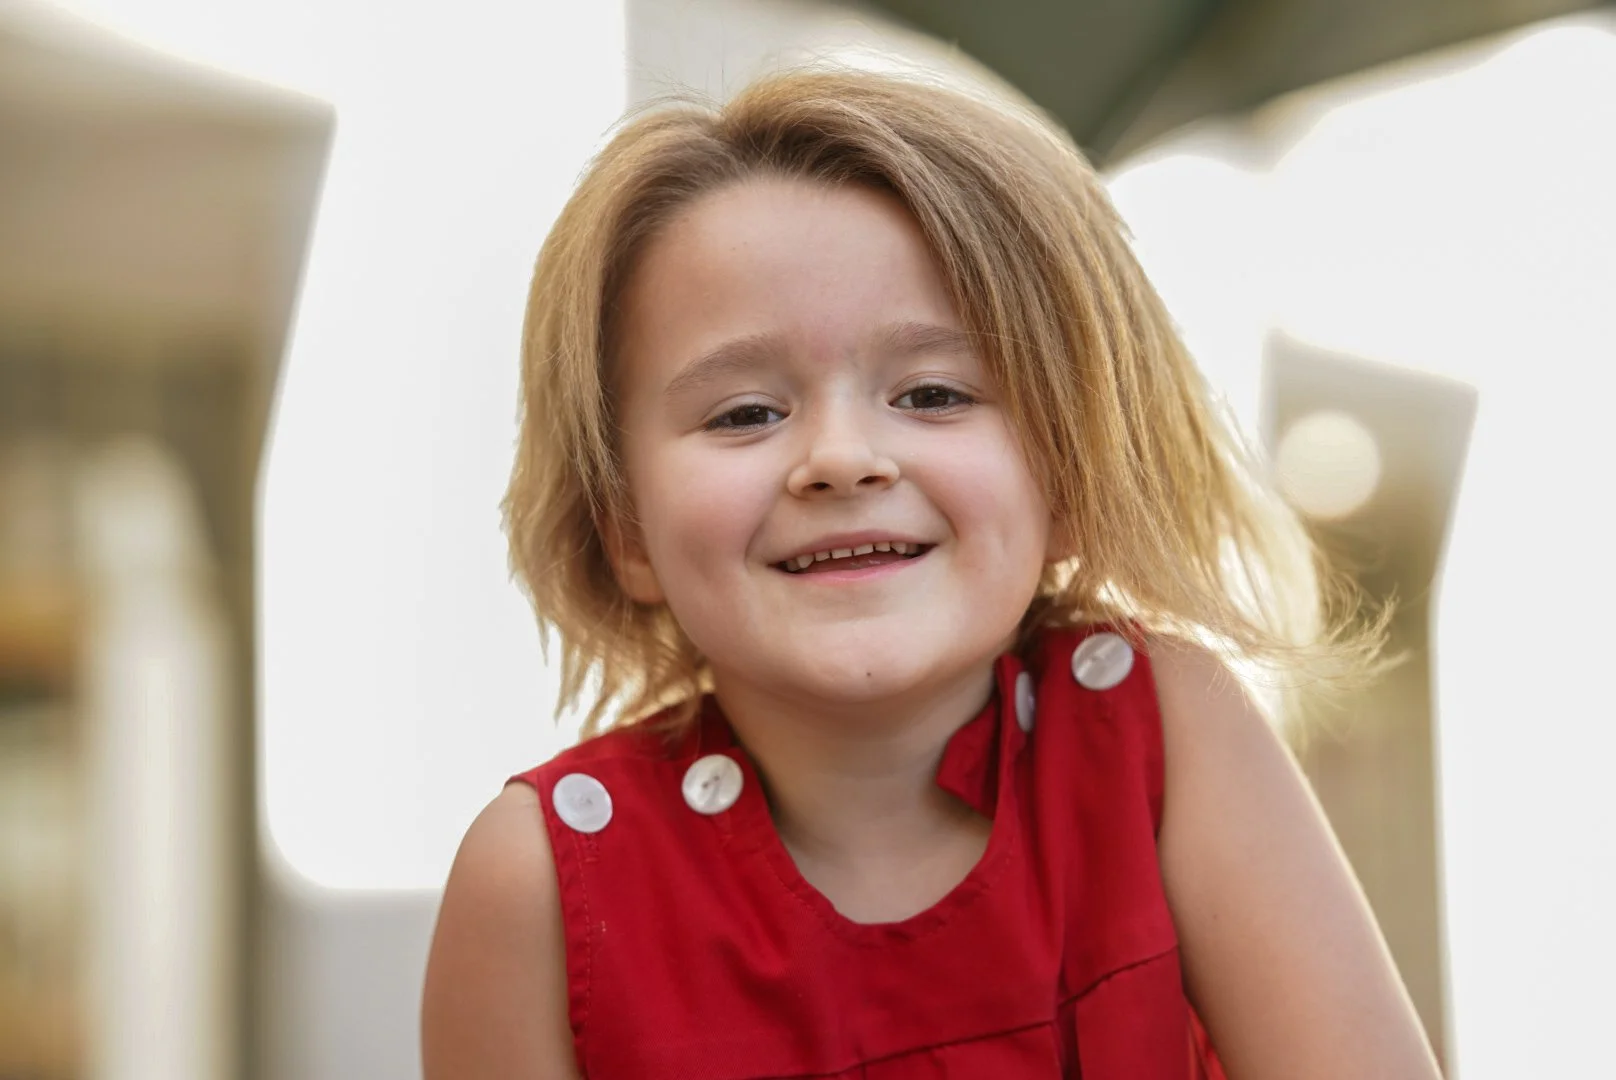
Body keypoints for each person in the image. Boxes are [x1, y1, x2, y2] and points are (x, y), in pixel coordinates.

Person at [420, 68, 1441, 1079]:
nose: (839, 456)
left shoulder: (1161, 734)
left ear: (1070, 479)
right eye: (743, 414)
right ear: (625, 528)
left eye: (934, 393)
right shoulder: (539, 889)